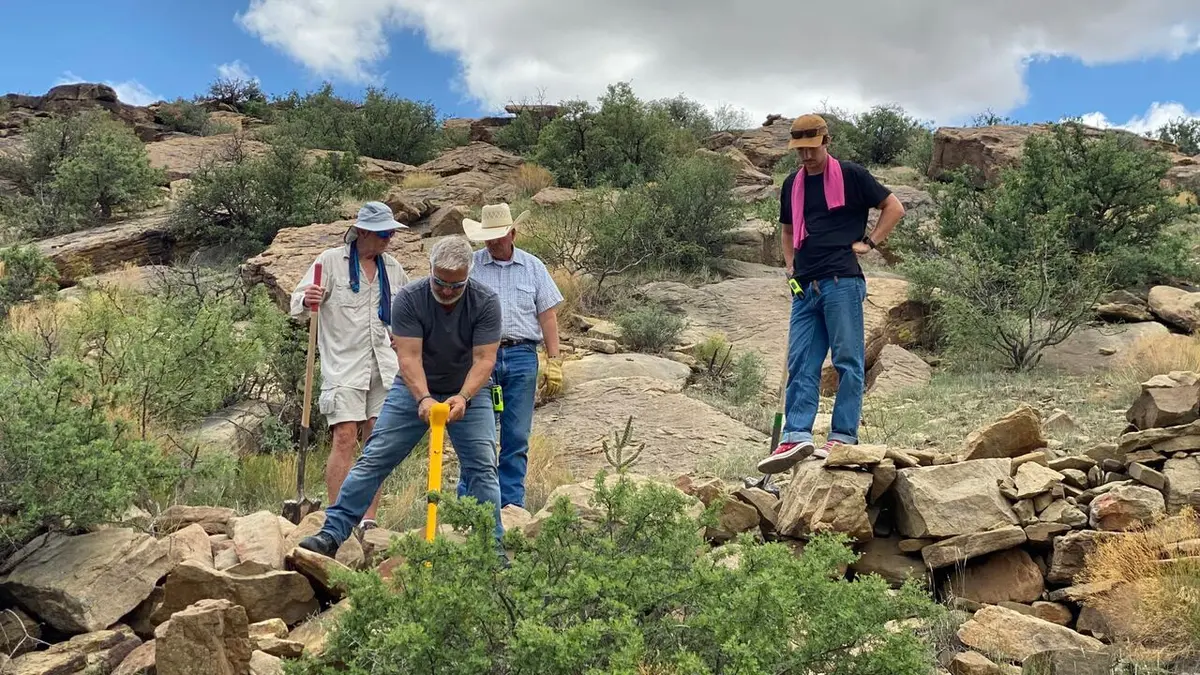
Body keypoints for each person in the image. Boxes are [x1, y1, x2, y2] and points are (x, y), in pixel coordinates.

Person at [299, 235, 506, 557]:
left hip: (469, 392)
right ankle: (332, 533)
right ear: (430, 270)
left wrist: (464, 397)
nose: (448, 291)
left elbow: (485, 359)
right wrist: (423, 398)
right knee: (375, 457)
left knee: (482, 467)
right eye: (441, 283)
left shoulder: (485, 301)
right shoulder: (410, 298)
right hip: (413, 389)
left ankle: (492, 552)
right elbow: (408, 357)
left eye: (457, 285)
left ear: (469, 276)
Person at [756, 113, 906, 474]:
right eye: (799, 150)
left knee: (847, 362)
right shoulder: (793, 184)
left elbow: (894, 207)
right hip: (805, 287)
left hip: (842, 282)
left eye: (811, 148)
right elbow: (788, 232)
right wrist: (790, 267)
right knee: (802, 364)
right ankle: (796, 435)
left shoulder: (852, 175)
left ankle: (842, 437)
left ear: (826, 142)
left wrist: (870, 242)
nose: (806, 156)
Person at [290, 201, 410, 531]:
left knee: (377, 442)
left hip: (384, 365)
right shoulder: (329, 261)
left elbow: (408, 309)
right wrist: (307, 299)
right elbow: (296, 303)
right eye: (384, 233)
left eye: (391, 233)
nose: (389, 239)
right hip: (344, 365)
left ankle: (368, 520)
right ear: (364, 232)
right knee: (344, 436)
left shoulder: (394, 267)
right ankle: (338, 518)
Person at [460, 202, 564, 509]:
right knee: (478, 436)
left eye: (498, 236)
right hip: (480, 357)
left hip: (521, 355)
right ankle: (469, 506)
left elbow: (547, 316)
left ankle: (511, 506)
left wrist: (554, 361)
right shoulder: (471, 266)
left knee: (516, 436)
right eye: (487, 236)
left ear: (513, 233)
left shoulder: (533, 267)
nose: (492, 242)